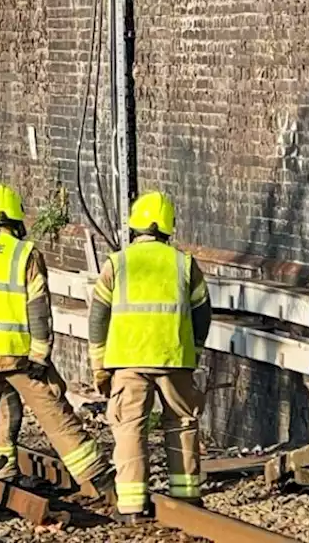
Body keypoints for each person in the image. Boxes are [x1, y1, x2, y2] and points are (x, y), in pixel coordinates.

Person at [0, 184, 113, 510]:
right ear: (16, 222)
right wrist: (40, 354)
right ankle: (100, 478)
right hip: (19, 357)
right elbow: (39, 308)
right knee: (54, 412)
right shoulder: (25, 254)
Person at [90, 192, 210, 522]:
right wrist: (194, 351)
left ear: (135, 226)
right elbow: (203, 313)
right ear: (168, 227)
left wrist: (98, 365)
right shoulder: (184, 264)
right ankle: (186, 496)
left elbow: (98, 317)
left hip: (128, 361)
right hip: (174, 359)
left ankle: (131, 506)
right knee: (183, 424)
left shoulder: (117, 263)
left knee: (130, 428)